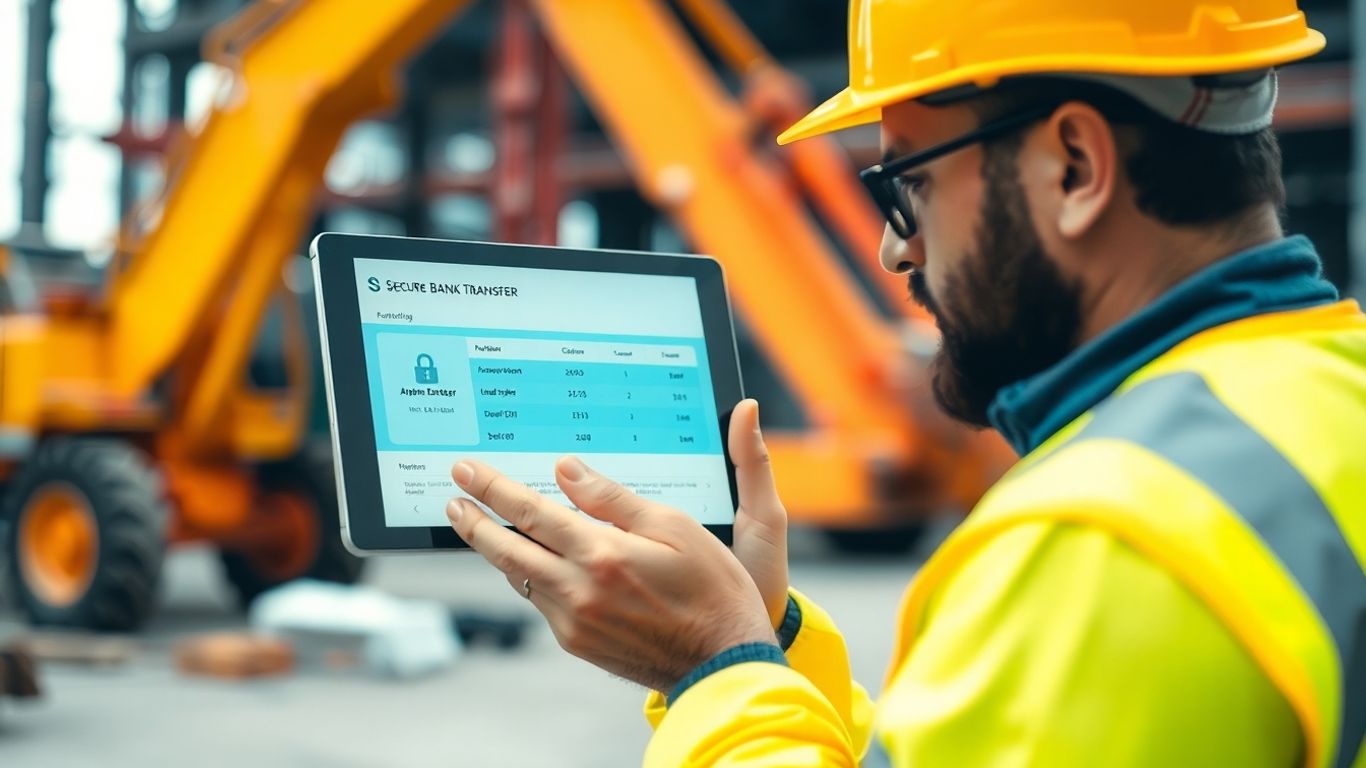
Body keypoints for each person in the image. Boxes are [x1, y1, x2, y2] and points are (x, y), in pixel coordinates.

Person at [445, 0, 1366, 765]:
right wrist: (765, 643)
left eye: (906, 185)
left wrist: (708, 666)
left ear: (1074, 167)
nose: (895, 249)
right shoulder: (1327, 393)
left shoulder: (1110, 537)